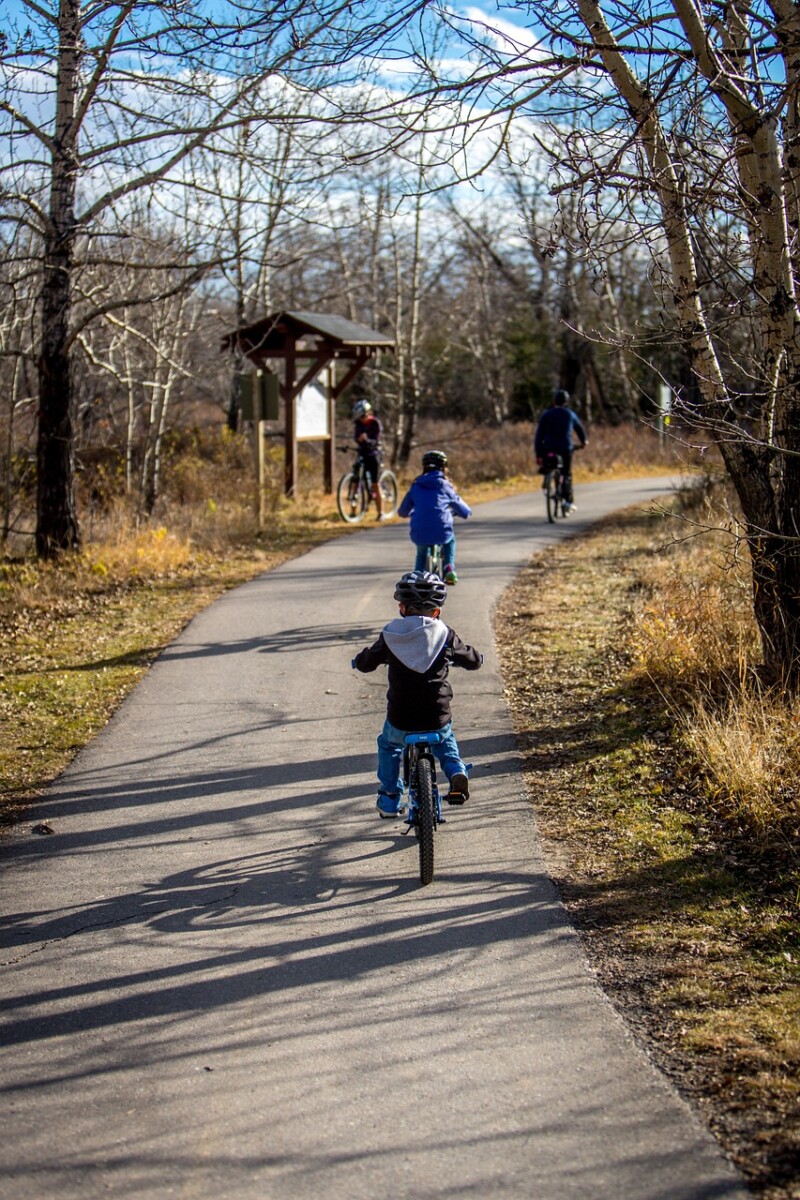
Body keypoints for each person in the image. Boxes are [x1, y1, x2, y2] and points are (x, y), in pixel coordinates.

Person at [352, 570, 482, 818]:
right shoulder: (445, 635)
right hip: (436, 714)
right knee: (445, 739)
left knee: (388, 745)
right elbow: (470, 659)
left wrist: (359, 662)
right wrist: (477, 659)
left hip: (401, 718)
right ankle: (456, 771)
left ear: (401, 608)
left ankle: (390, 797)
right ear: (437, 612)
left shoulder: (391, 634)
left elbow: (368, 661)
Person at [397, 449, 471, 585]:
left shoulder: (416, 486)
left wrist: (411, 513)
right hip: (441, 529)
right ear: (444, 467)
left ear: (424, 467)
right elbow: (465, 511)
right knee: (450, 541)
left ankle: (417, 577)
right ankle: (449, 567)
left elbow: (402, 511)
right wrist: (462, 513)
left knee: (421, 554)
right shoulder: (446, 486)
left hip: (420, 530)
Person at [534, 389, 588, 512]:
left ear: (554, 401)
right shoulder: (570, 414)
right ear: (566, 402)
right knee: (566, 473)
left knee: (549, 465)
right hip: (565, 448)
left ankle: (547, 482)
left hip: (548, 448)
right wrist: (584, 442)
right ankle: (568, 502)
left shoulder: (546, 414)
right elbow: (580, 429)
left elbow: (538, 436)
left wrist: (538, 453)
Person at [351, 398, 385, 519]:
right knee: (355, 480)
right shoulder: (358, 424)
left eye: (362, 416)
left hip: (373, 454)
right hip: (362, 454)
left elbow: (376, 440)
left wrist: (367, 440)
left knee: (375, 484)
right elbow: (356, 437)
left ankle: (380, 513)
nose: (360, 419)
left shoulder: (375, 423)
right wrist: (359, 439)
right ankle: (353, 511)